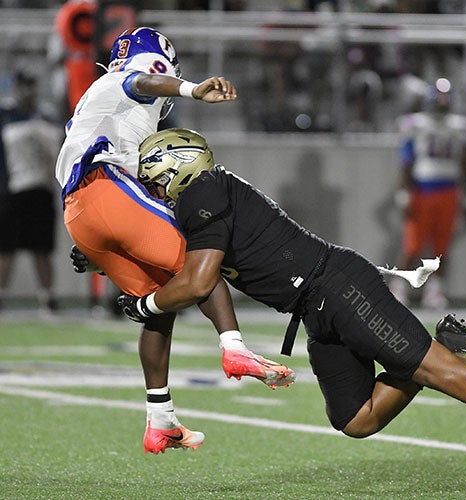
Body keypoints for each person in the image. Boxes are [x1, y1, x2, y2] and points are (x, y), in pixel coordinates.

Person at [119, 127, 466, 495]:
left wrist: (142, 305)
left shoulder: (203, 191)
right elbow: (171, 254)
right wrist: (104, 256)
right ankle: (443, 345)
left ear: (174, 167)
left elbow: (199, 281)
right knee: (357, 419)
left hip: (336, 287)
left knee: (435, 372)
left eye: (155, 180)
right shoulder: (206, 197)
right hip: (317, 307)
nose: (156, 191)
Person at [56, 27, 295, 455]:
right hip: (103, 187)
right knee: (202, 262)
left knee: (161, 302)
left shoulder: (103, 101)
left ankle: (160, 419)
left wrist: (98, 245)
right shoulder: (126, 81)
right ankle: (235, 348)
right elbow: (141, 81)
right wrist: (192, 89)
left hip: (80, 212)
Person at [390, 78, 466, 310]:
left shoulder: (459, 126)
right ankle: (398, 289)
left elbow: (465, 163)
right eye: (438, 97)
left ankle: (434, 291)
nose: (441, 102)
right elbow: (407, 161)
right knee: (413, 245)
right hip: (422, 189)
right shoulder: (417, 124)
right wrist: (404, 191)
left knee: (441, 246)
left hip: (449, 190)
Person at [0, 70, 63, 313]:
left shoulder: (46, 115)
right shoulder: (6, 115)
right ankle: (2, 295)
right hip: (11, 191)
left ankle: (47, 297)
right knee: (5, 249)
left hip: (40, 189)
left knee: (42, 249)